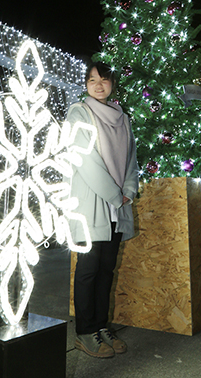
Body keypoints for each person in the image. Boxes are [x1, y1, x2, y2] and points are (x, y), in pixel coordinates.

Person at [66, 61, 139, 358]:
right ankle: (84, 332)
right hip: (91, 204)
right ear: (85, 84)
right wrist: (114, 194)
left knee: (106, 269)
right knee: (88, 270)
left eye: (104, 80)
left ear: (112, 84)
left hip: (117, 207)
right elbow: (84, 160)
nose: (98, 85)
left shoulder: (123, 118)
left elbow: (132, 158)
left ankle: (100, 326)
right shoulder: (78, 113)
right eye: (92, 79)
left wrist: (129, 192)